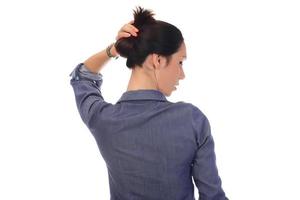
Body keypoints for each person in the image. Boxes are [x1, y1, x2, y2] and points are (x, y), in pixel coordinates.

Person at [69, 6, 229, 200]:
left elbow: (82, 77)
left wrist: (113, 50)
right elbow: (212, 196)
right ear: (158, 60)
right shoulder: (192, 119)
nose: (182, 74)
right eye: (180, 62)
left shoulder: (103, 119)